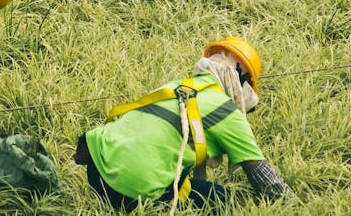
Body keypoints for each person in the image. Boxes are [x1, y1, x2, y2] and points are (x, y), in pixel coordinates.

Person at [74, 37, 296, 210]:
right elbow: (259, 171)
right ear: (241, 81)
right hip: (131, 191)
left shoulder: (178, 87)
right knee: (220, 199)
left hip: (97, 172)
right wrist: (294, 203)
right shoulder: (226, 110)